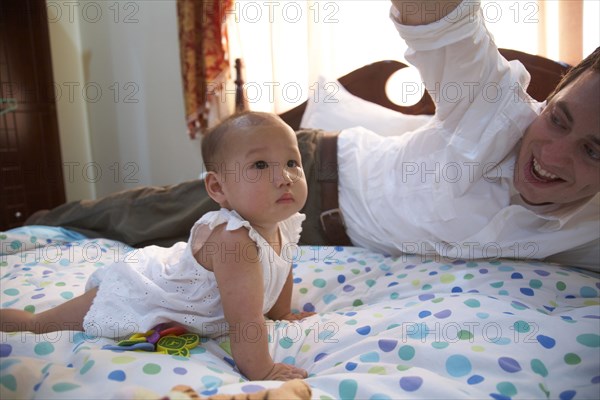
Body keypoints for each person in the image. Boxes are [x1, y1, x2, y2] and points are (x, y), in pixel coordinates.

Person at [25, 0, 599, 269]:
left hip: (328, 247)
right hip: (307, 173)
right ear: (548, 99)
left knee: (178, 269)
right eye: (558, 118)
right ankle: (34, 226)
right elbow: (446, 27)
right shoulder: (493, 106)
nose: (549, 153)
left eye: (593, 150)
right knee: (141, 222)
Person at [1, 112, 315, 381]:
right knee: (38, 325)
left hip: (175, 280)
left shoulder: (284, 223)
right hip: (145, 291)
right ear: (218, 187)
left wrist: (282, 312)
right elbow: (245, 322)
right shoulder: (234, 240)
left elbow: (280, 266)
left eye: (291, 162)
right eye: (260, 165)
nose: (284, 177)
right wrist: (263, 370)